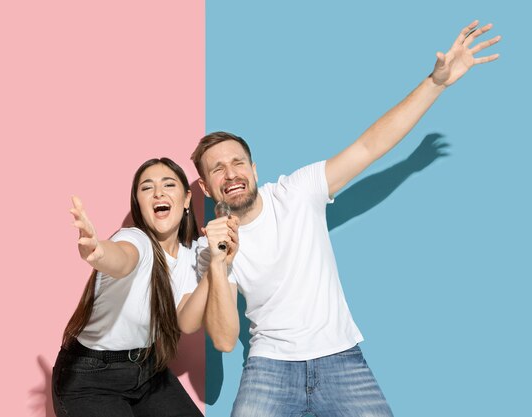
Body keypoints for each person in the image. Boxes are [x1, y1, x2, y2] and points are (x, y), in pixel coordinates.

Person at [192, 21, 500, 417]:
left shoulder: (296, 192)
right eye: (217, 169)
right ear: (204, 187)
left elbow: (369, 145)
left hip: (342, 359)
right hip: (268, 368)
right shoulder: (210, 247)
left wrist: (435, 84)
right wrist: (219, 262)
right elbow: (223, 340)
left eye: (237, 162)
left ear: (254, 168)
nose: (230, 173)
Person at [51, 157, 238, 417]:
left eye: (168, 185)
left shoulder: (190, 257)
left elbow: (186, 322)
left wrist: (216, 263)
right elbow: (121, 258)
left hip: (148, 369)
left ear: (186, 199)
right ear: (139, 203)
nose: (158, 192)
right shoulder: (135, 239)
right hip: (91, 377)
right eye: (147, 187)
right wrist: (97, 250)